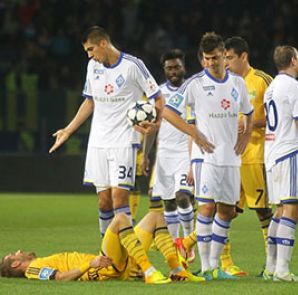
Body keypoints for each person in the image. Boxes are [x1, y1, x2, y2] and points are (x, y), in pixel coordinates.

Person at [49, 26, 164, 237]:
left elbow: (157, 97)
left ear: (103, 43)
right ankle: (108, 255)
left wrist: (154, 122)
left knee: (120, 199)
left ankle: (128, 258)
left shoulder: (133, 66)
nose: (90, 55)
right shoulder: (92, 67)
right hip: (97, 143)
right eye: (87, 51)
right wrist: (68, 130)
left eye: (91, 49)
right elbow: (89, 102)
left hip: (123, 142)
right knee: (103, 203)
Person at [163, 32, 253, 280]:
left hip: (231, 157)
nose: (212, 63)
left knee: (227, 211)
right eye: (207, 59)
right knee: (206, 208)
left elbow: (249, 111)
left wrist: (245, 135)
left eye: (216, 57)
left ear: (225, 56)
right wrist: (192, 131)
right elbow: (168, 112)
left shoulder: (238, 83)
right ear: (202, 60)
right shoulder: (194, 84)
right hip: (206, 157)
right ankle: (206, 267)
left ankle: (216, 266)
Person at [0, 210, 204, 283]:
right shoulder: (33, 270)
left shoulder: (37, 263)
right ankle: (149, 271)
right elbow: (60, 278)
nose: (18, 250)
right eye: (13, 254)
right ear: (16, 264)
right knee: (120, 219)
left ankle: (177, 270)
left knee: (155, 217)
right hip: (105, 266)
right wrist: (91, 263)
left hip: (114, 264)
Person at [260, 45, 298, 282]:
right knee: (292, 209)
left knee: (281, 210)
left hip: (271, 152)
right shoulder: (294, 86)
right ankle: (282, 270)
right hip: (288, 151)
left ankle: (271, 266)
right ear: (293, 60)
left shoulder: (271, 87)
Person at [223, 36, 273, 276]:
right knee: (224, 210)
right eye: (224, 58)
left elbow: (277, 115)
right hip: (230, 158)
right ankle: (224, 264)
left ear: (244, 56)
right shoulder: (224, 82)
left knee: (263, 210)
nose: (226, 63)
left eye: (230, 57)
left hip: (256, 155)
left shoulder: (263, 81)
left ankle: (272, 264)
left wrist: (249, 124)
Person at [151, 49, 195, 241]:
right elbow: (153, 126)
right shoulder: (159, 94)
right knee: (168, 203)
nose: (174, 71)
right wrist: (145, 155)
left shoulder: (193, 89)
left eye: (177, 66)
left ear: (183, 67)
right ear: (164, 70)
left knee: (182, 196)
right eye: (169, 68)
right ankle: (175, 246)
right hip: (164, 154)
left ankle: (187, 240)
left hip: (186, 151)